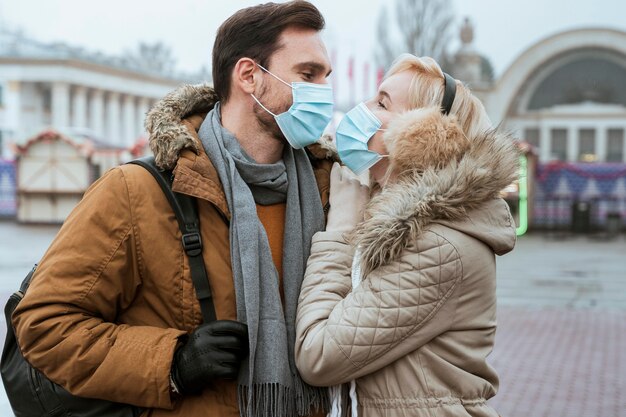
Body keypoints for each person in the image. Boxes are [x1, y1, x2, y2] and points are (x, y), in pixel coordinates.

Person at [13, 2, 335, 417]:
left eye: (326, 77)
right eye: (308, 75)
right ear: (250, 76)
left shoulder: (329, 191)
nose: (323, 92)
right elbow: (43, 325)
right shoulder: (135, 191)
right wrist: (173, 363)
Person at [295, 54, 519, 417]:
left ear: (424, 136)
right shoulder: (413, 225)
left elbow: (318, 355)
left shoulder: (438, 246)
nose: (362, 109)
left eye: (382, 103)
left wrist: (341, 231)